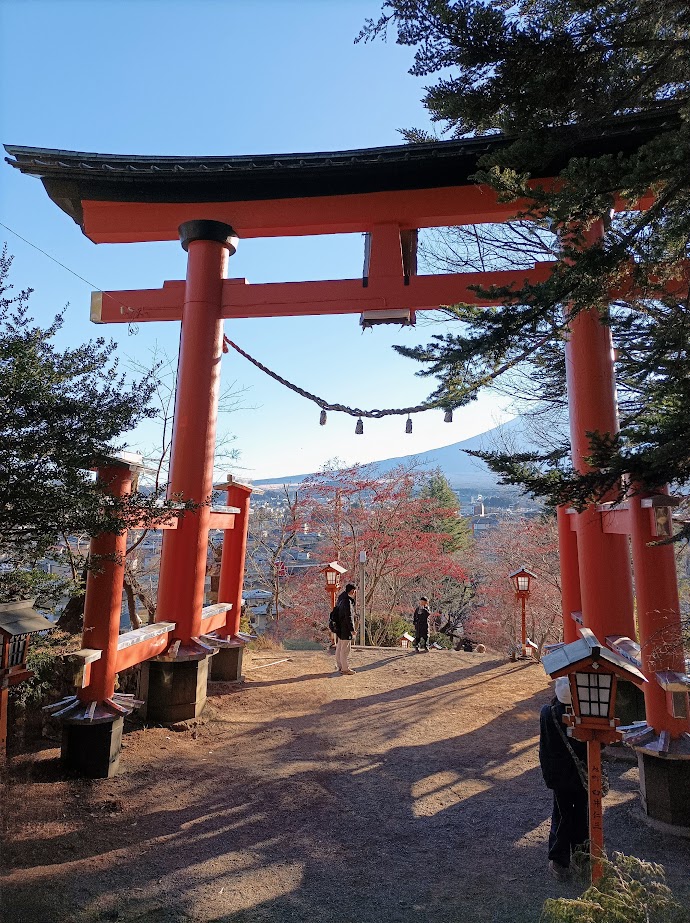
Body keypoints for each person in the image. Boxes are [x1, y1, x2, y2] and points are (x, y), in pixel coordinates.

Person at [539, 676, 589, 881]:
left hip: (559, 775)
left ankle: (560, 860)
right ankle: (582, 855)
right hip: (582, 774)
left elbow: (545, 747)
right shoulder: (583, 714)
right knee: (581, 815)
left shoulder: (547, 713)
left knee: (562, 815)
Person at [334, 583, 357, 675]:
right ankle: (345, 668)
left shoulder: (340, 598)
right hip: (345, 628)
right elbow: (349, 616)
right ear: (352, 591)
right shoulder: (347, 601)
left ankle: (340, 666)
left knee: (339, 647)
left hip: (339, 627)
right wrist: (352, 629)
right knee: (345, 649)